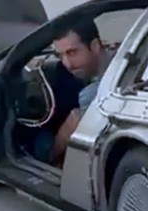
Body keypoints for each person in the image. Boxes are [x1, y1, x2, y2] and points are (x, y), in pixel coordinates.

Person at [33, 15, 111, 165]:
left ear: (94, 46)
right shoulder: (119, 59)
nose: (67, 64)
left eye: (72, 53)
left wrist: (52, 154)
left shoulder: (92, 94)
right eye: (60, 55)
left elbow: (76, 121)